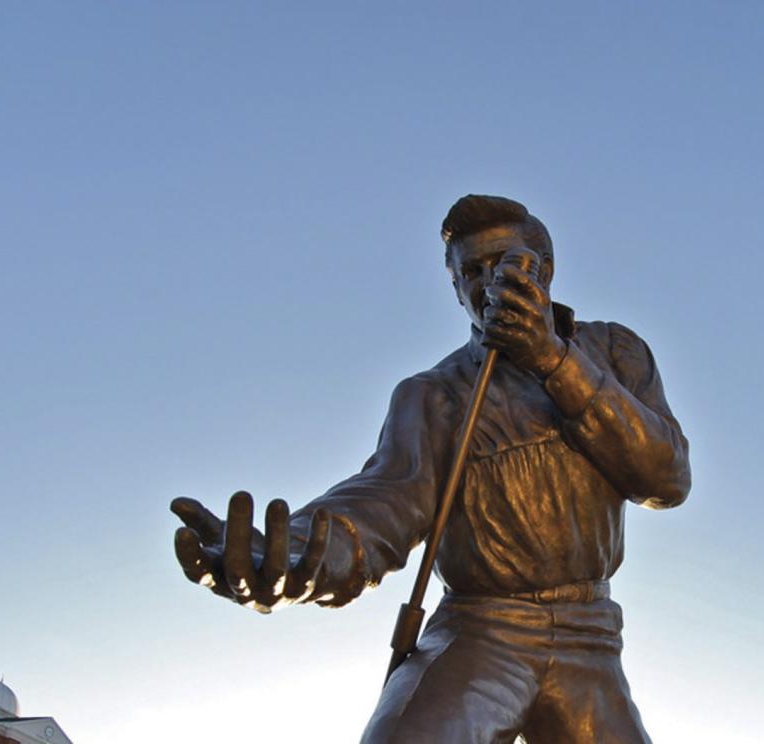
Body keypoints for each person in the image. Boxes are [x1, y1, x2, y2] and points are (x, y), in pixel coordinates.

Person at [170, 194, 691, 743]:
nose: (487, 283)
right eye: (471, 271)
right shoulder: (433, 395)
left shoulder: (614, 350)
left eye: (505, 263)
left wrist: (553, 360)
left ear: (546, 270)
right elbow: (383, 504)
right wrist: (300, 554)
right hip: (481, 630)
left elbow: (666, 478)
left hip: (593, 633)